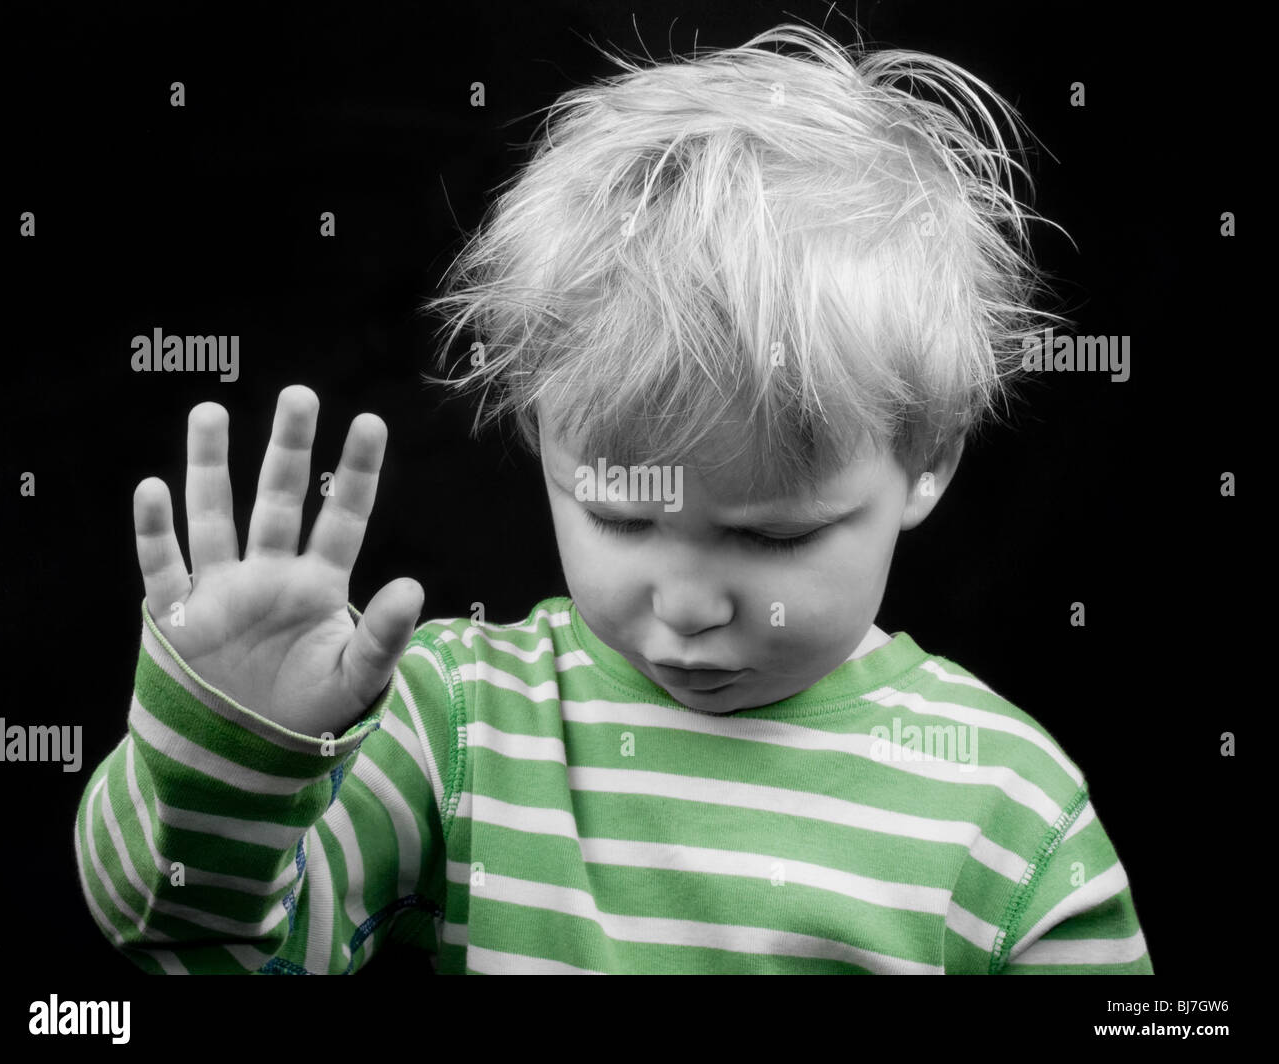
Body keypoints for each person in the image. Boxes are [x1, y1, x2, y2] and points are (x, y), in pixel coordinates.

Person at [74, 22, 1151, 974]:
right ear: (542, 438)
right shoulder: (450, 724)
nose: (685, 605)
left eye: (771, 536)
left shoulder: (1008, 807)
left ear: (929, 462)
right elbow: (190, 937)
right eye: (623, 516)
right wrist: (227, 755)